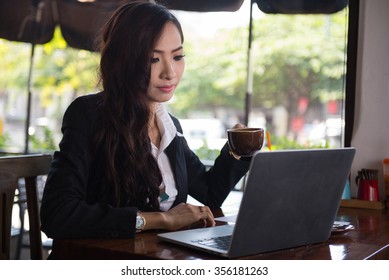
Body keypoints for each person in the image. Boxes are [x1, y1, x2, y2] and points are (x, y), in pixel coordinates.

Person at [40, 1, 249, 241]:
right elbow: (57, 214)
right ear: (123, 60)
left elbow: (210, 194)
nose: (170, 72)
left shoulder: (170, 127)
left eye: (178, 56)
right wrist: (162, 219)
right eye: (153, 59)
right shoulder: (89, 115)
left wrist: (237, 149)